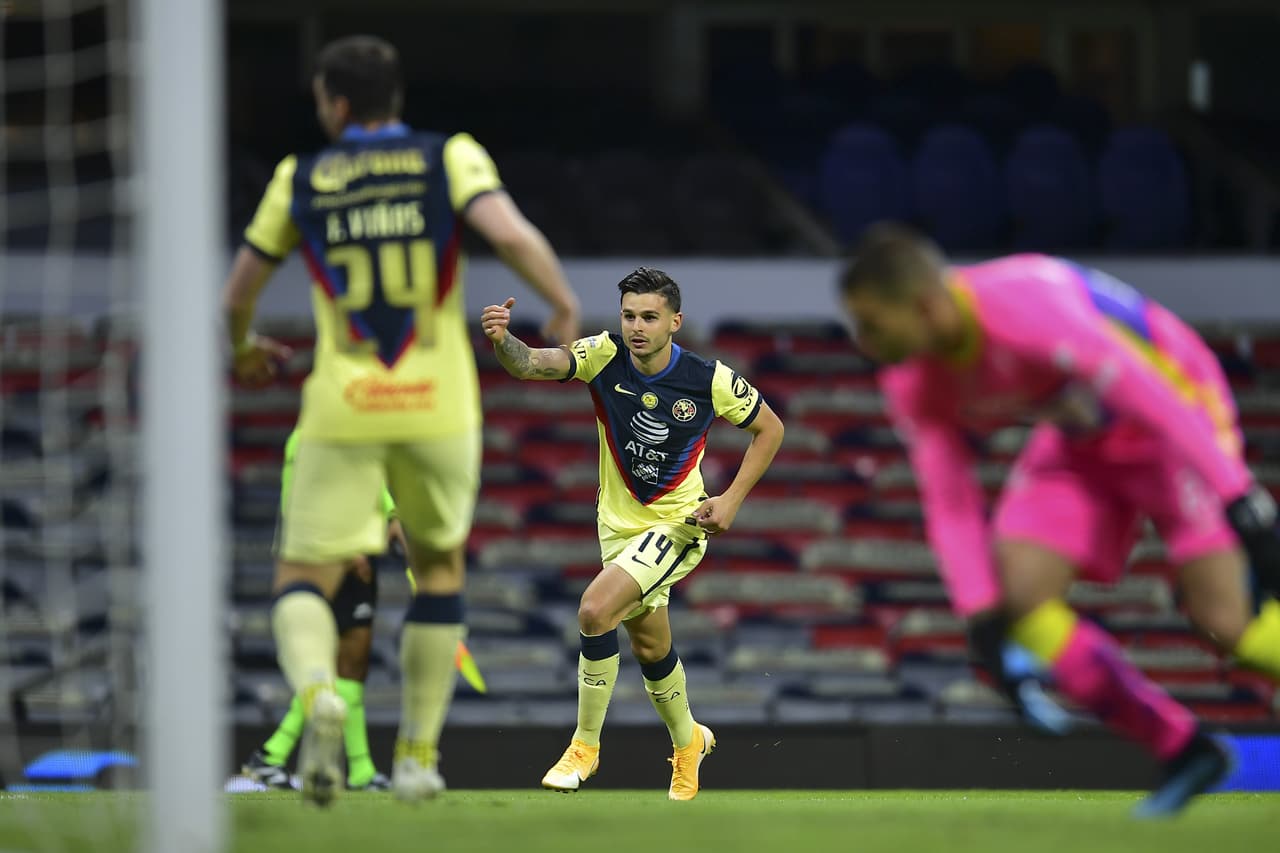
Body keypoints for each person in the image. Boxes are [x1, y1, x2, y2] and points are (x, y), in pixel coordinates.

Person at [222, 34, 580, 805]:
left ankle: (318, 690)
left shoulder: (301, 175)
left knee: (300, 579)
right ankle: (417, 756)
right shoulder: (448, 156)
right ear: (396, 100)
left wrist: (244, 348)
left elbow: (237, 292)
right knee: (440, 572)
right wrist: (561, 301)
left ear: (337, 104)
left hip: (344, 403)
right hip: (440, 403)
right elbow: (511, 235)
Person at [838, 223, 1280, 818]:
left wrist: (1237, 491)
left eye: (873, 323)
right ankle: (1185, 747)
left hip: (1172, 412)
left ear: (923, 305)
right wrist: (980, 618)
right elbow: (950, 500)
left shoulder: (1025, 306)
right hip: (1079, 437)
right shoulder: (913, 380)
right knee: (1017, 596)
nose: (863, 341)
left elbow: (1146, 392)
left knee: (1226, 622)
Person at [481, 267, 785, 800]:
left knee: (595, 611)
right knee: (649, 647)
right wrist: (505, 340)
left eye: (649, 317)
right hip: (617, 530)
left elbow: (770, 428)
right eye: (629, 316)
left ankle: (585, 746)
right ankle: (689, 741)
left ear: (675, 321)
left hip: (678, 525)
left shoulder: (708, 379)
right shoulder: (602, 355)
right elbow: (532, 364)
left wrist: (731, 498)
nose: (636, 327)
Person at [241, 430, 487, 791]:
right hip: (333, 557)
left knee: (351, 667)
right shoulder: (321, 434)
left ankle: (353, 770)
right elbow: (313, 493)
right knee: (339, 664)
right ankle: (273, 756)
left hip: (355, 549)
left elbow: (372, 484)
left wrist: (390, 524)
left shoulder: (352, 428)